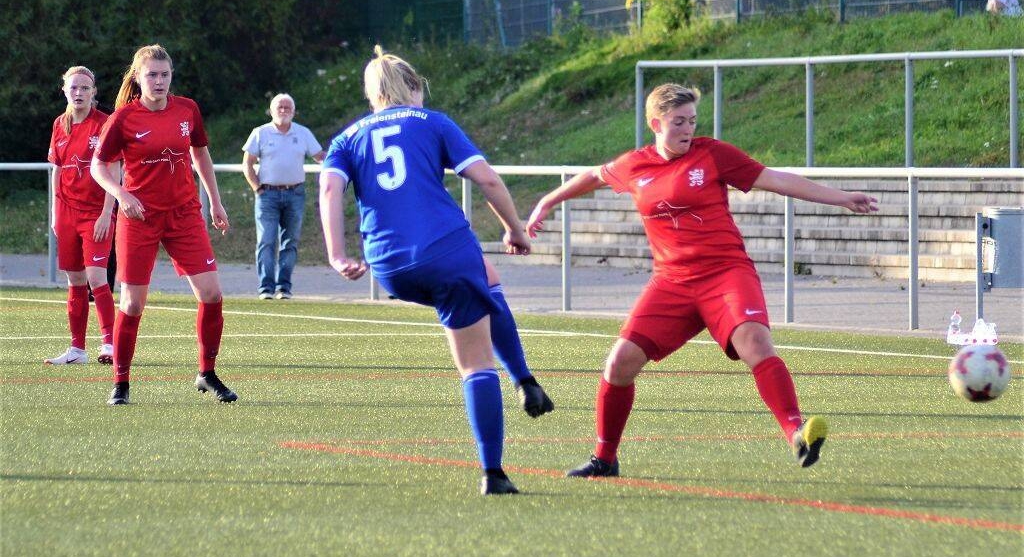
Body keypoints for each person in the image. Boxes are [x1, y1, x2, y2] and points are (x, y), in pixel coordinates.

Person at [527, 84, 878, 478]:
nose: (688, 129)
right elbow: (593, 176)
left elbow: (776, 179)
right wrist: (546, 202)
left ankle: (797, 433)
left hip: (725, 274)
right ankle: (604, 459)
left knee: (755, 342)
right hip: (671, 283)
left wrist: (841, 197)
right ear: (656, 124)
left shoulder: (712, 154)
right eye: (678, 122)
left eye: (692, 121)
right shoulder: (634, 165)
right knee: (619, 364)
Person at [319, 46, 554, 496]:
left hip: (389, 264)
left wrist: (337, 254)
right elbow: (486, 179)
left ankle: (525, 379)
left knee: (487, 277)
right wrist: (515, 229)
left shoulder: (346, 138)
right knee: (475, 363)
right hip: (444, 251)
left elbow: (329, 190)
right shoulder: (432, 121)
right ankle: (494, 473)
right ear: (412, 86)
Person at [91, 44, 237, 406]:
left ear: (171, 76)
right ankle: (121, 383)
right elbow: (99, 166)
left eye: (164, 74)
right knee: (133, 303)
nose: (159, 81)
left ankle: (207, 373)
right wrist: (121, 194)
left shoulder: (187, 109)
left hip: (184, 214)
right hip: (139, 218)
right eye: (152, 75)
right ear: (138, 78)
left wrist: (215, 201)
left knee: (212, 294)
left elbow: (200, 152)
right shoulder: (123, 118)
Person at [45, 66, 117, 366]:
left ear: (93, 92)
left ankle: (110, 344)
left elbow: (114, 169)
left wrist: (107, 212)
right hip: (66, 212)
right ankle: (77, 350)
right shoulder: (59, 124)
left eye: (85, 88)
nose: (79, 93)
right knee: (75, 279)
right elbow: (57, 169)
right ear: (64, 90)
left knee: (97, 277)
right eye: (73, 88)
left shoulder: (105, 124)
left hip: (95, 212)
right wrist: (54, 212)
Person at [242, 93, 325, 300]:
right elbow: (248, 163)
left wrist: (341, 161)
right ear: (271, 110)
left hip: (295, 193)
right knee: (266, 241)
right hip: (267, 194)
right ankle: (266, 288)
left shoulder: (303, 133)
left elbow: (319, 156)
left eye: (288, 107)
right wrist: (257, 188)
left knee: (290, 242)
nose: (283, 110)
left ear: (294, 111)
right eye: (279, 107)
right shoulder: (260, 133)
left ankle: (284, 287)